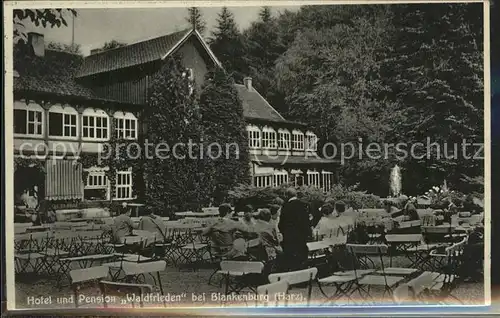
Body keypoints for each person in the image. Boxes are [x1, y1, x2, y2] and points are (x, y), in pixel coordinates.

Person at [278, 188, 311, 271]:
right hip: (301, 235)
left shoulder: (286, 206)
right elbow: (307, 221)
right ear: (296, 195)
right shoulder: (304, 204)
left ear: (287, 195)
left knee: (291, 258)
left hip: (289, 235)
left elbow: (282, 222)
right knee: (301, 256)